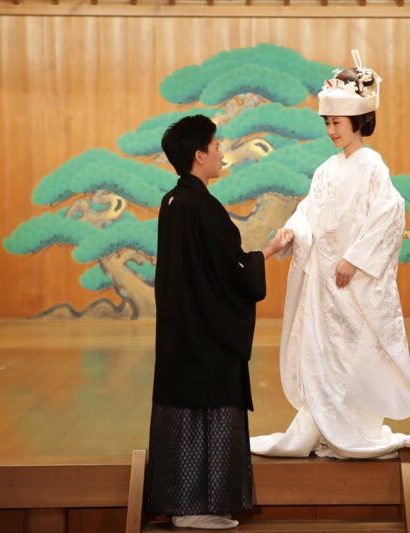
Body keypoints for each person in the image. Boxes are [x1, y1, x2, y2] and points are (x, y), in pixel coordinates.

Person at [250, 50, 410, 459]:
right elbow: (309, 211)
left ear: (358, 121)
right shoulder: (326, 170)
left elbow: (389, 215)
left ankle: (356, 426)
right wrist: (294, 230)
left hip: (353, 281)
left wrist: (355, 260)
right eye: (327, 122)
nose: (331, 130)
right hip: (323, 282)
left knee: (355, 351)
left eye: (338, 122)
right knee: (322, 353)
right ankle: (323, 423)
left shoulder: (373, 167)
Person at [145, 114, 292, 529]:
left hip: (181, 330)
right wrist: (268, 251)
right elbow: (232, 271)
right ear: (199, 155)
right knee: (209, 408)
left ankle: (185, 504)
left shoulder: (173, 202)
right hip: (207, 334)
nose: (221, 152)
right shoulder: (203, 207)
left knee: (184, 414)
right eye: (215, 146)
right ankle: (196, 508)